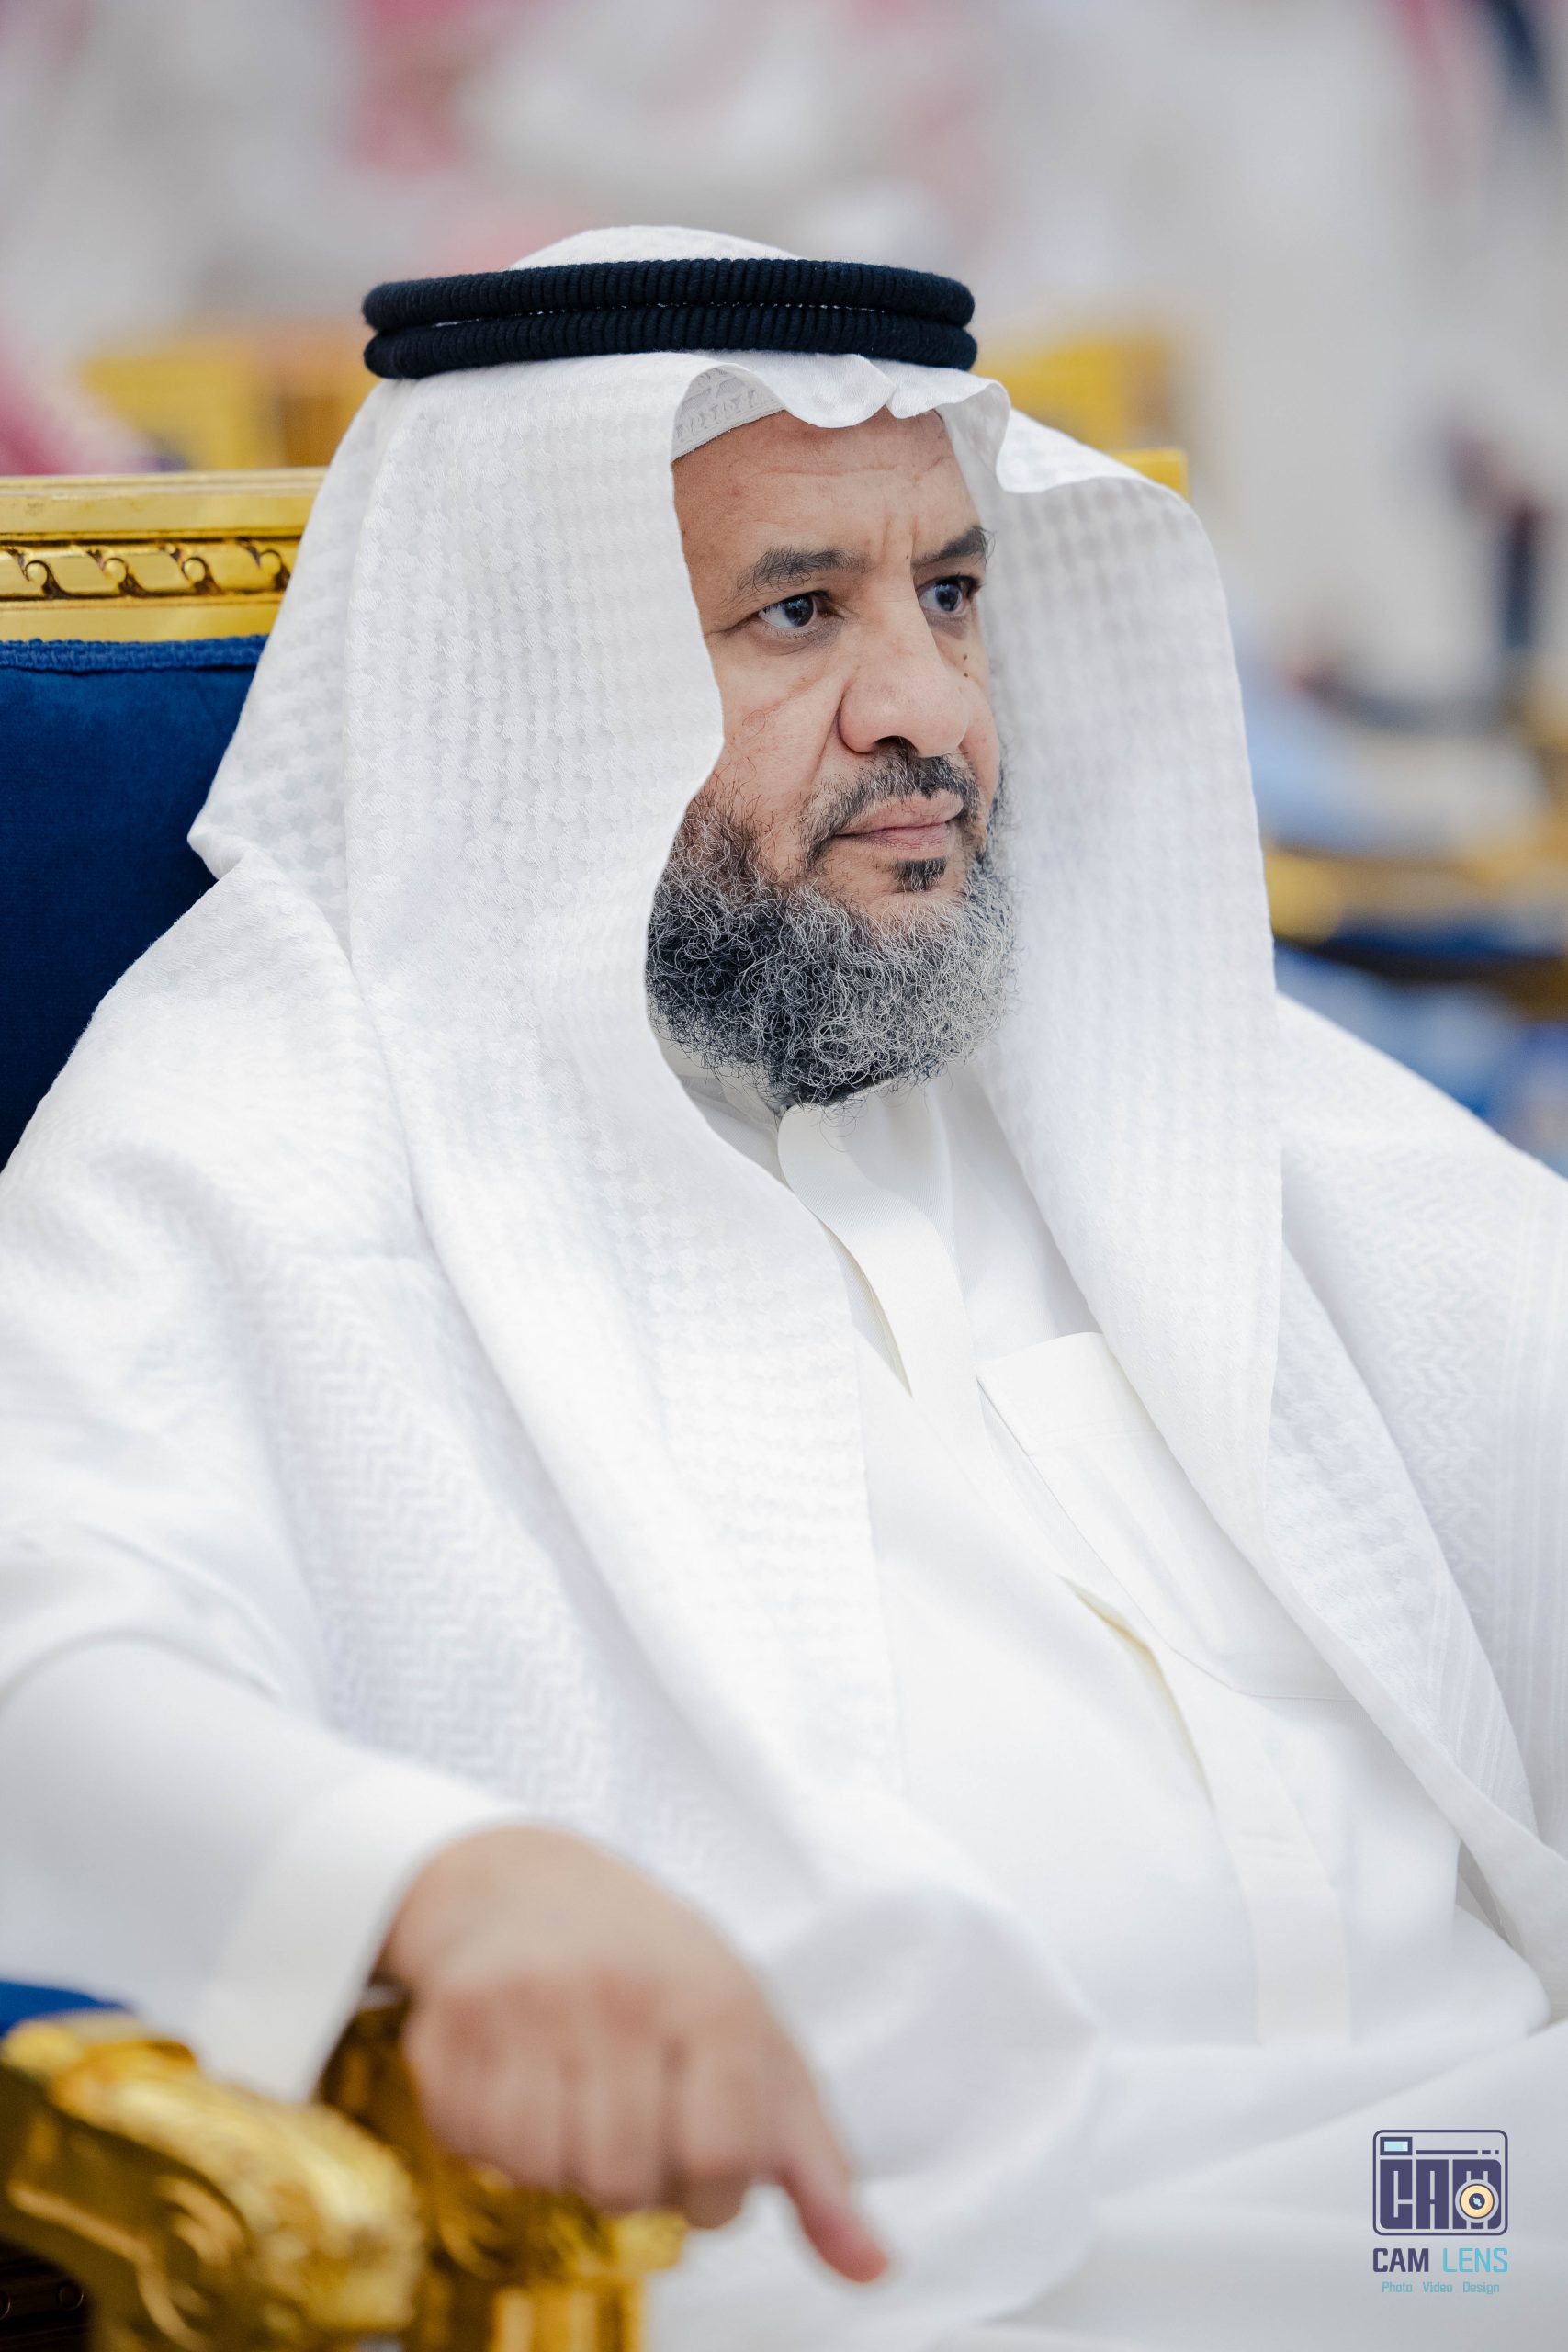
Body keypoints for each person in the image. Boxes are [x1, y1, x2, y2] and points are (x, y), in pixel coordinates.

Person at [2, 226, 1567, 2351]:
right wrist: (436, 1876)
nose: (925, 706)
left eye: (951, 593)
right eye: (797, 611)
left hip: (1460, 2189)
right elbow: (48, 1635)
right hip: (946, 2274)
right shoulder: (254, 1125)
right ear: (545, 678)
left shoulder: (1130, 1053)